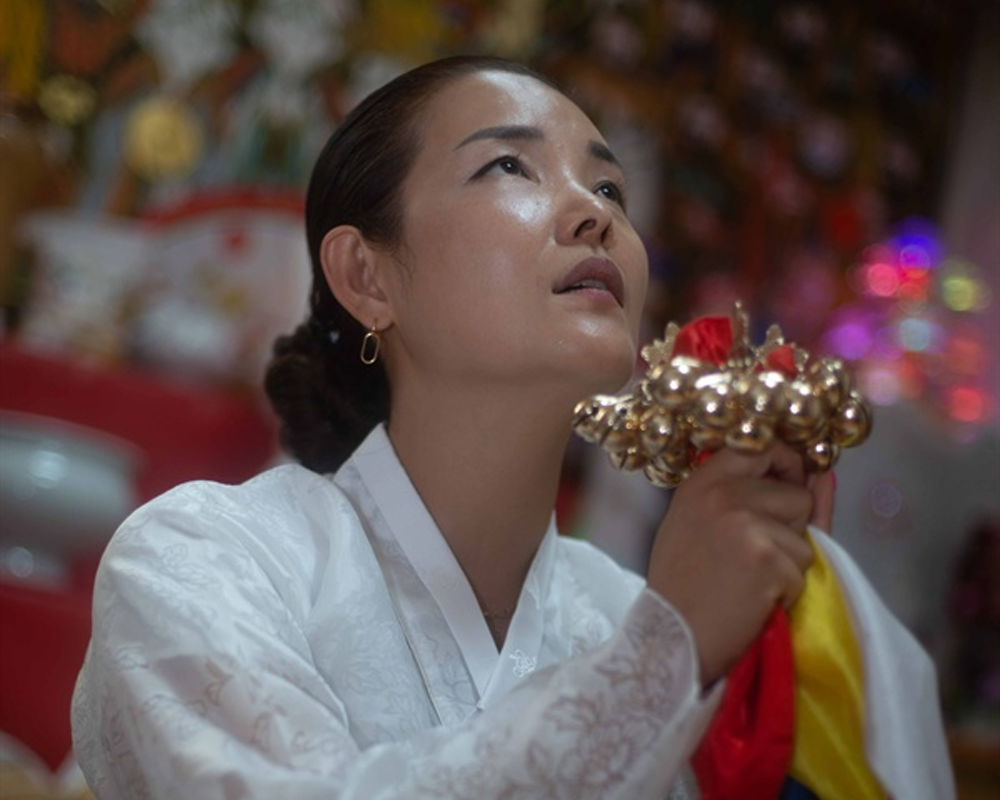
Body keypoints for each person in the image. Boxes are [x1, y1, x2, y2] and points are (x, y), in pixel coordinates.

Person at [71, 55, 952, 799]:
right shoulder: (203, 559)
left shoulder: (618, 612)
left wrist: (770, 668)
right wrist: (664, 657)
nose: (595, 213)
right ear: (368, 276)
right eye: (509, 168)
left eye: (610, 186)